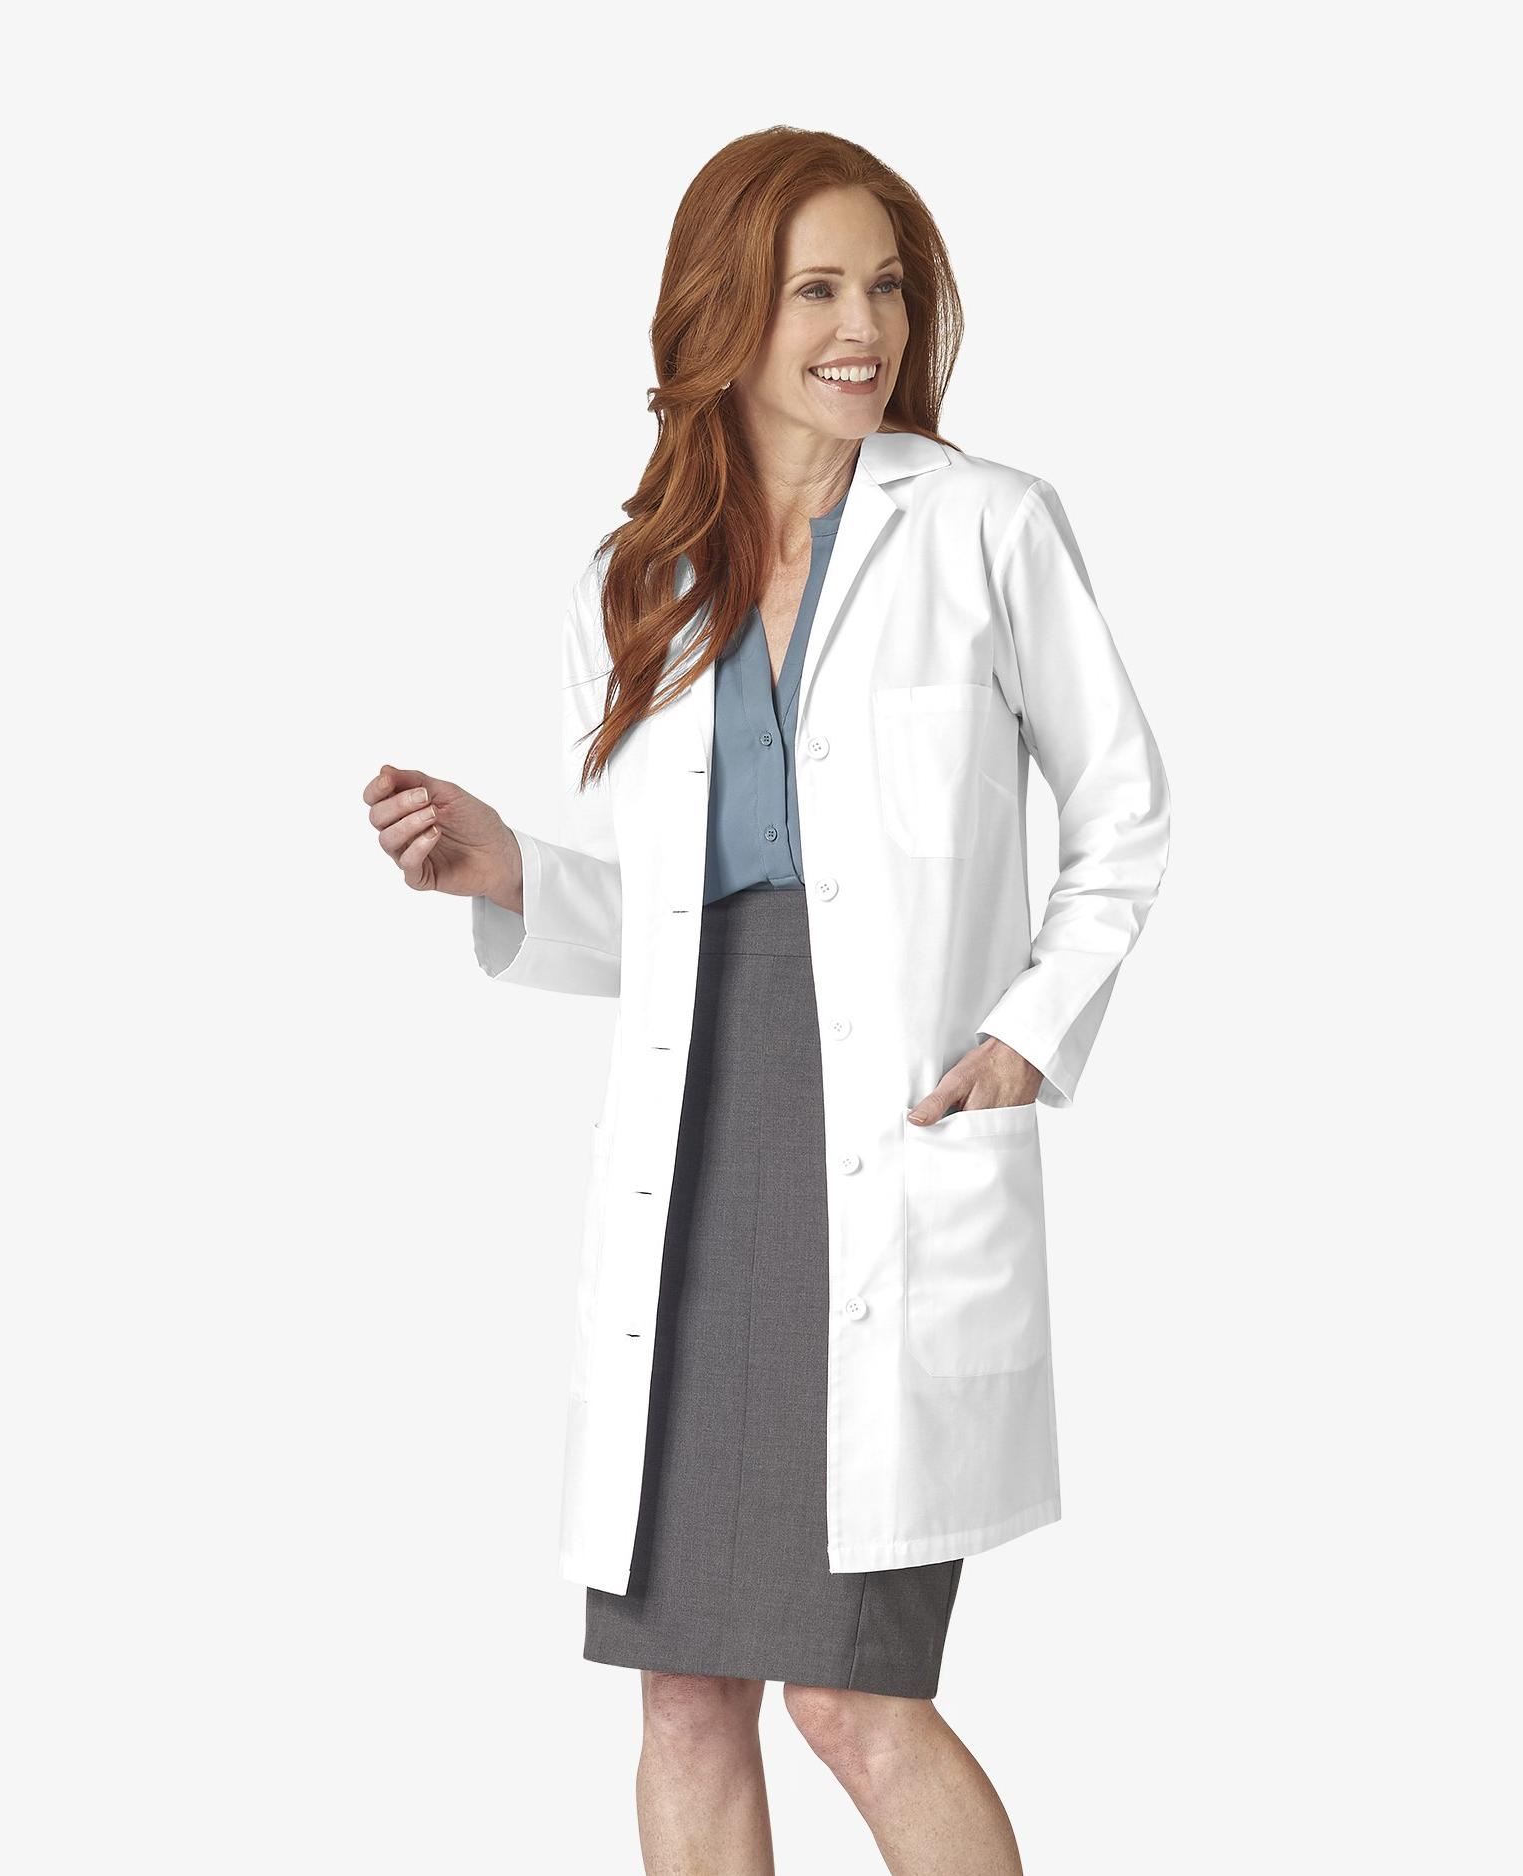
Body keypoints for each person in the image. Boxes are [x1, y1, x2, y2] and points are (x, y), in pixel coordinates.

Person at [364, 126, 1171, 1876]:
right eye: (815, 289)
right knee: (685, 1699)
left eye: (884, 287)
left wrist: (1029, 1035)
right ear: (722, 315)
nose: (861, 327)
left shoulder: (985, 527)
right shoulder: (639, 577)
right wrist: (511, 873)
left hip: (885, 1135)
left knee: (853, 1700)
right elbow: (676, 920)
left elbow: (1123, 814)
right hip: (700, 1146)